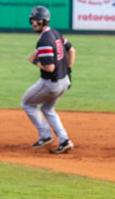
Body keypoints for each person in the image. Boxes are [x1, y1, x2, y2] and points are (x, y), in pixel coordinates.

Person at [22, 5, 75, 154]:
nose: (33, 23)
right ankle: (64, 140)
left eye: (36, 20)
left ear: (43, 22)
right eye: (32, 20)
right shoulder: (55, 33)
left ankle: (45, 136)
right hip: (64, 81)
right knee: (47, 108)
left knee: (26, 103)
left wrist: (35, 61)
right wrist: (69, 70)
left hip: (51, 84)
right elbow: (71, 50)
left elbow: (50, 67)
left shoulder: (44, 40)